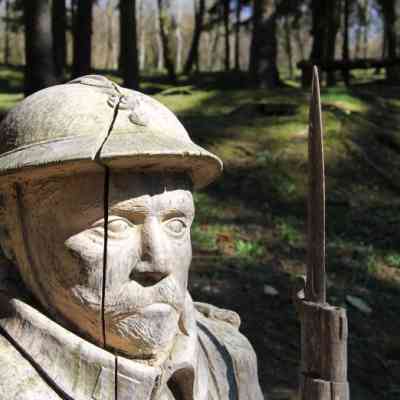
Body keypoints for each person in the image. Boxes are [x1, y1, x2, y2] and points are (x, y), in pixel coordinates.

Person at [0, 75, 264, 400]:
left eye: (176, 225)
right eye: (114, 226)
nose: (160, 263)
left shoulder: (227, 356)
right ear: (9, 232)